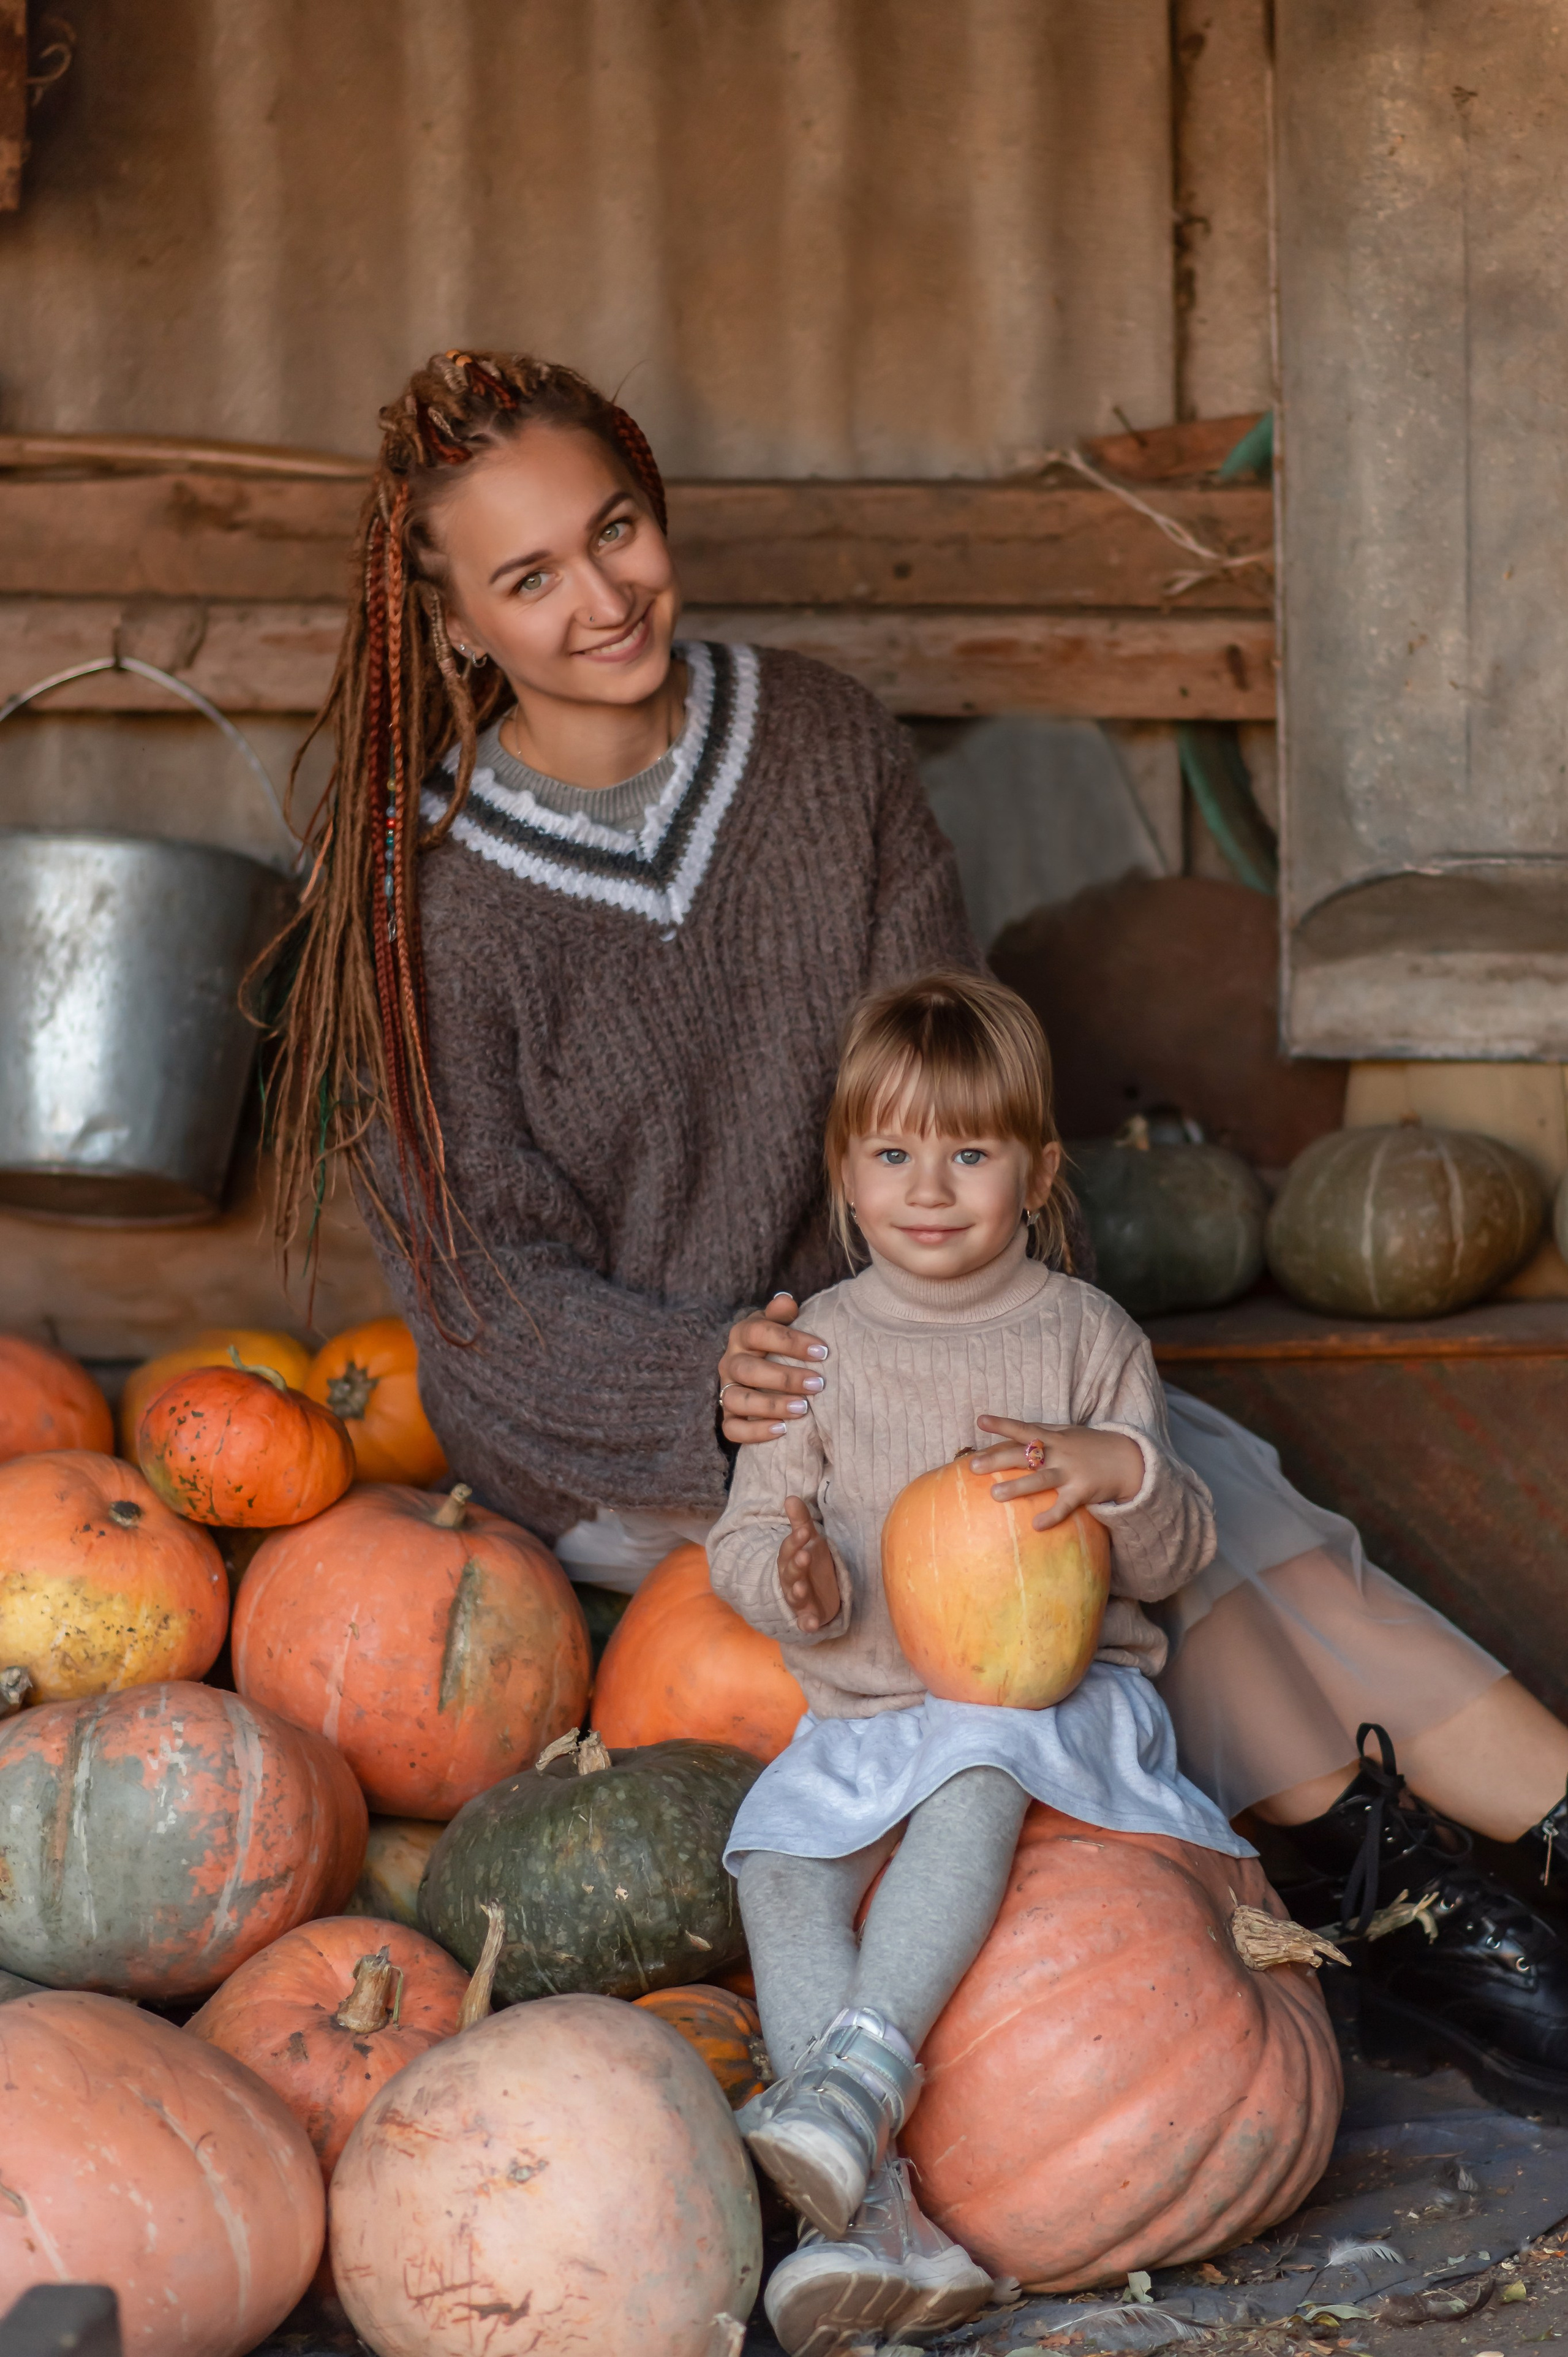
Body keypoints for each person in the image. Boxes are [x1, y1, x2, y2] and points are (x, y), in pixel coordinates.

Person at [268, 346, 1568, 2124]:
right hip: (651, 1432)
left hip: (917, 1317)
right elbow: (480, 1293)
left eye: (617, 529)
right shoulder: (432, 899)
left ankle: (1495, 1862)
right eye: (531, 577)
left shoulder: (818, 743)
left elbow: (951, 1088)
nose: (603, 596)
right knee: (1081, 1525)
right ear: (458, 630)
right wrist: (704, 1376)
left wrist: (1026, 1348)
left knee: (1147, 1478)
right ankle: (1427, 1918)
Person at [707, 969, 1253, 2353]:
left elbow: (1177, 1547)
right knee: (775, 1863)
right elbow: (746, 1533)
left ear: (1038, 1170)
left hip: (1036, 1707)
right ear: (843, 1172)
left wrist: (1111, 1466)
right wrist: (792, 1576)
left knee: (970, 1771)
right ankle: (882, 2215)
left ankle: (855, 2075)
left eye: (969, 1151)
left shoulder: (1082, 1337)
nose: (929, 1186)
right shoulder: (814, 1351)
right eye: (891, 1153)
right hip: (867, 1708)